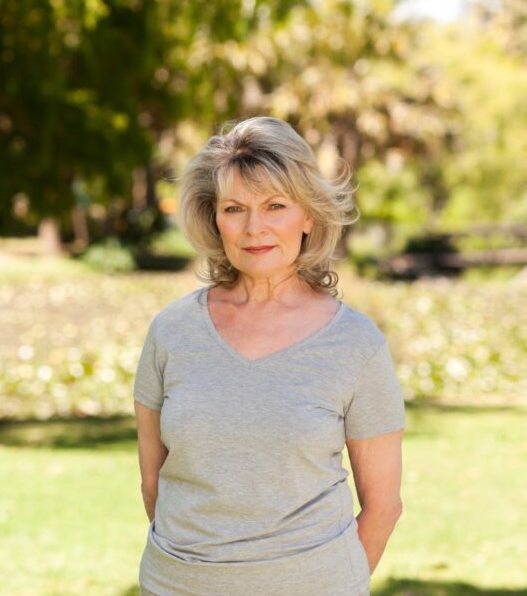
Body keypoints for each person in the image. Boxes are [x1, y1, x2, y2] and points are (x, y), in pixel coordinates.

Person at [133, 116, 405, 596]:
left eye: (275, 205)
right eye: (234, 208)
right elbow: (153, 485)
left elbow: (383, 506)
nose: (254, 228)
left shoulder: (356, 344)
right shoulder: (171, 332)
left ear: (309, 216)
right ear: (214, 218)